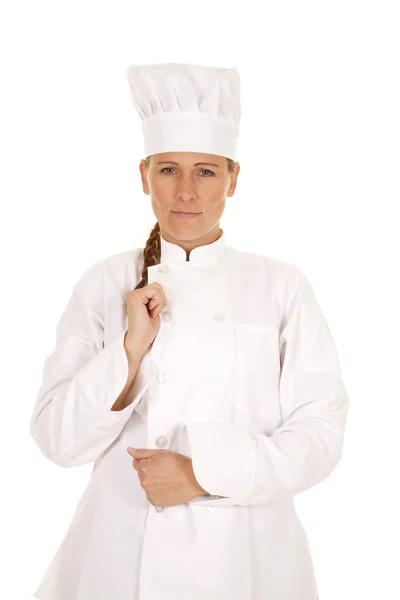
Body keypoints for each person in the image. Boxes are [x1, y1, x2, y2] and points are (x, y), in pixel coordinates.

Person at [30, 62, 349, 600]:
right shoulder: (106, 282)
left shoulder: (281, 286)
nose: (185, 192)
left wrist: (204, 475)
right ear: (143, 175)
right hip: (118, 558)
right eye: (168, 170)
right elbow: (58, 442)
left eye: (205, 171)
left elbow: (320, 433)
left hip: (245, 561)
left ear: (233, 179)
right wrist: (130, 351)